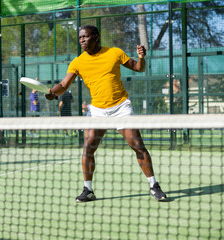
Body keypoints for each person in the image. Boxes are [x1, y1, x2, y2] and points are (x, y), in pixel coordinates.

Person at [45, 25, 166, 202]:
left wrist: (141, 58)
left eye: (85, 37)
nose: (82, 40)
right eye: (80, 38)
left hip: (121, 107)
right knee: (88, 149)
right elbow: (63, 85)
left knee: (138, 145)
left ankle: (154, 186)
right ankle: (88, 190)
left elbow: (138, 68)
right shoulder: (77, 62)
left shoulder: (114, 52)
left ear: (96, 37)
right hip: (97, 111)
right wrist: (53, 92)